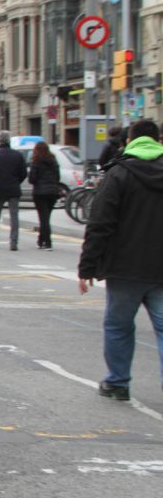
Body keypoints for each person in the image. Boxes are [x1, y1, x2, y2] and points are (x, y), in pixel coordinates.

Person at [77, 118, 163, 401]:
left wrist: (87, 266)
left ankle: (118, 382)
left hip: (124, 266)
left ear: (129, 141)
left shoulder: (118, 174)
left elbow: (100, 223)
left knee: (119, 326)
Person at [0, 131, 26, 251]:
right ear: (9, 141)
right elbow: (23, 173)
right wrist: (16, 182)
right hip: (13, 188)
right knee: (14, 216)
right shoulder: (18, 155)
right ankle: (13, 241)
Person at [28, 140, 61, 251]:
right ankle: (41, 240)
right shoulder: (53, 160)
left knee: (43, 218)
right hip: (52, 192)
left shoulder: (36, 161)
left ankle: (47, 242)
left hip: (40, 192)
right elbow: (58, 177)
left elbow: (32, 179)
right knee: (46, 217)